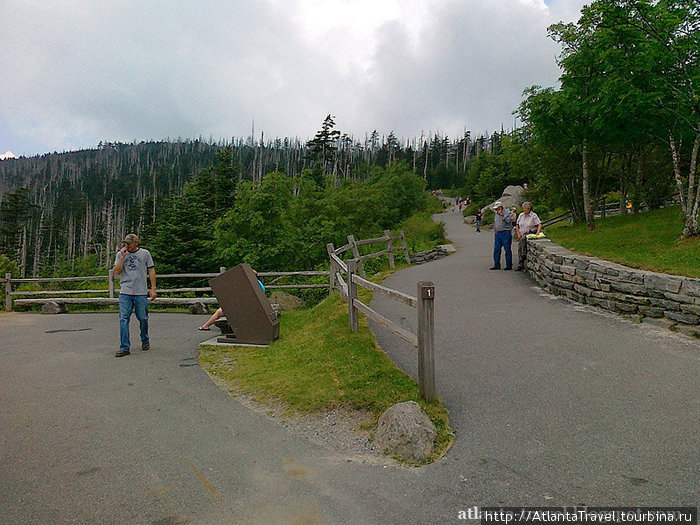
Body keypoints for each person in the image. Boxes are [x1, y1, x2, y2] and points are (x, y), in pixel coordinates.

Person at [113, 233, 156, 357]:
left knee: (143, 318)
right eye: (125, 243)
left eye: (129, 243)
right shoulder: (120, 254)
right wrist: (122, 257)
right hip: (126, 291)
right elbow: (116, 272)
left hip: (140, 291)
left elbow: (151, 270)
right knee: (123, 319)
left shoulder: (145, 254)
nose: (127, 246)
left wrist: (153, 289)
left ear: (135, 243)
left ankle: (145, 339)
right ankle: (124, 347)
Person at [198, 275, 266, 331]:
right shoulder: (258, 284)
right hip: (252, 306)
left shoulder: (250, 286)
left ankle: (205, 326)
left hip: (246, 308)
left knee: (219, 312)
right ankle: (205, 326)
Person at [515, 201, 542, 271]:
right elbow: (517, 224)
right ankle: (521, 260)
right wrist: (518, 233)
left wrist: (537, 233)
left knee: (523, 240)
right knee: (520, 246)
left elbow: (539, 224)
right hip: (521, 233)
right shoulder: (521, 215)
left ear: (529, 209)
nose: (524, 210)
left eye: (525, 208)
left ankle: (522, 258)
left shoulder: (533, 216)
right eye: (523, 208)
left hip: (529, 232)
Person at [490, 201, 514, 270]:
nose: (496, 210)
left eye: (497, 209)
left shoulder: (508, 212)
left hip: (506, 232)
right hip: (498, 233)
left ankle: (509, 265)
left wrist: (502, 215)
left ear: (501, 207)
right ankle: (496, 264)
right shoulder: (496, 214)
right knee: (496, 249)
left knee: (507, 249)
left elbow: (508, 221)